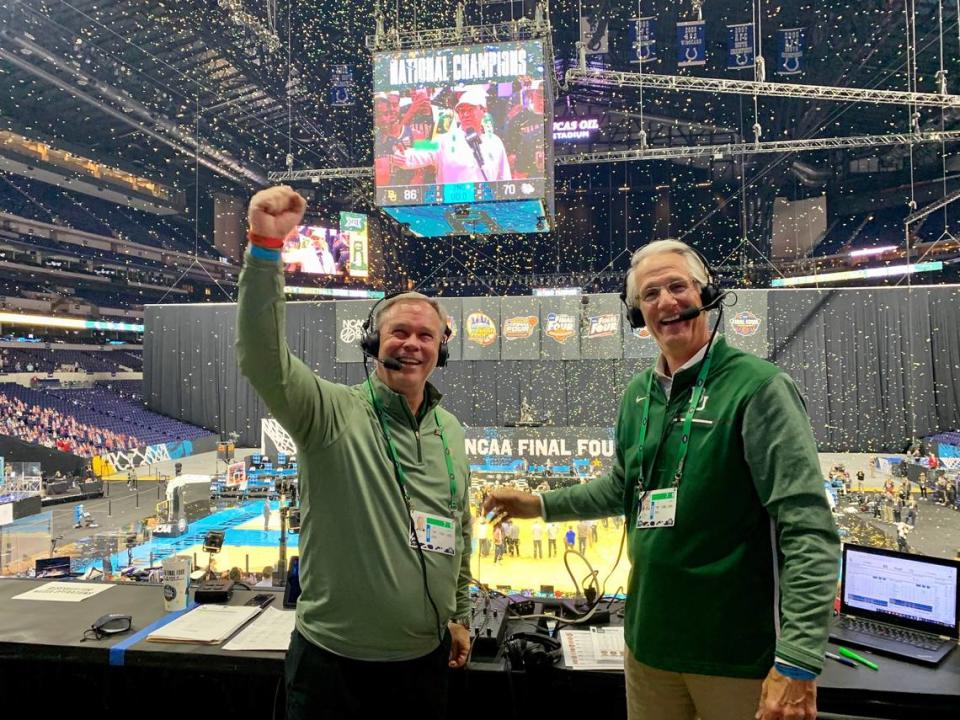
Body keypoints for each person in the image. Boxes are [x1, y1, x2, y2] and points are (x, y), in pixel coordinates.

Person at [484, 239, 839, 720]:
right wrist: (539, 506)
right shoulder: (638, 394)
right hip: (648, 647)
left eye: (678, 286)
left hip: (733, 655)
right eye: (651, 294)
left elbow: (808, 529)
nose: (667, 302)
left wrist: (798, 659)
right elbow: (619, 488)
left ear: (706, 292)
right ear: (637, 314)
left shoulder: (759, 388)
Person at [237, 185, 472, 720]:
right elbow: (261, 357)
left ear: (441, 350)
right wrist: (265, 250)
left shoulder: (451, 431)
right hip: (332, 668)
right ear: (372, 342)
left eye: (426, 336)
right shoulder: (328, 412)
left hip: (424, 662)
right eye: (399, 333)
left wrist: (459, 614)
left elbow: (457, 529)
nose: (412, 344)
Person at [393, 87, 511, 183]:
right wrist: (403, 157)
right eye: (461, 111)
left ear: (483, 110)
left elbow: (504, 179)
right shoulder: (444, 140)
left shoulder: (495, 142)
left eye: (470, 109)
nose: (465, 114)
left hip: (486, 207)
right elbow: (420, 149)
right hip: (453, 207)